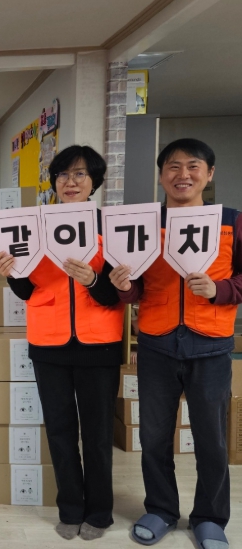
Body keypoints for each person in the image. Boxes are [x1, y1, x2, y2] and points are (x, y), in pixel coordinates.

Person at [110, 138, 241, 549]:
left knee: (211, 441)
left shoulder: (232, 222)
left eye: (193, 166)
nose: (183, 174)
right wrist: (124, 286)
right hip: (156, 345)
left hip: (211, 347)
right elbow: (136, 288)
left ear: (209, 173)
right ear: (161, 175)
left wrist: (219, 289)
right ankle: (162, 509)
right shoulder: (145, 223)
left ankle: (210, 518)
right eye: (173, 166)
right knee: (153, 437)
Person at [0, 145, 125, 541]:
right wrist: (11, 273)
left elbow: (122, 291)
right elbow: (27, 289)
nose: (71, 182)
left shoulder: (111, 227)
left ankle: (99, 512)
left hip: (99, 341)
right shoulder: (34, 225)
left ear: (94, 181)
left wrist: (93, 280)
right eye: (63, 174)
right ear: (53, 182)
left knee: (98, 435)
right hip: (48, 341)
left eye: (80, 174)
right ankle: (70, 507)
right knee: (60, 430)